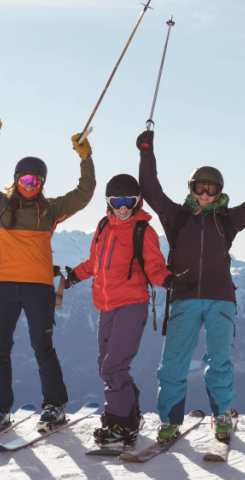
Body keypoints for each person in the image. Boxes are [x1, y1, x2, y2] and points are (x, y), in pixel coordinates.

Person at [135, 129, 245, 442]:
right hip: (184, 298)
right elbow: (150, 188)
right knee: (173, 363)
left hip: (220, 299)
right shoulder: (176, 216)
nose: (205, 194)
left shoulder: (228, 218)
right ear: (192, 189)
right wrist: (147, 152)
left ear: (219, 191)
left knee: (218, 361)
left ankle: (222, 415)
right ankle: (169, 421)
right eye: (200, 188)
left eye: (211, 189)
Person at [0, 116, 96, 434]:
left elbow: (85, 192)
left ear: (42, 184)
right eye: (25, 181)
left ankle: (55, 406)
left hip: (38, 287)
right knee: (0, 348)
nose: (30, 186)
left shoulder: (50, 210)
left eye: (35, 182)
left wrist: (85, 157)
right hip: (5, 286)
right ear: (16, 180)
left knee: (42, 347)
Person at [63, 174, 196, 448]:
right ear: (109, 203)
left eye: (128, 202)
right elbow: (94, 262)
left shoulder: (143, 231)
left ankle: (120, 424)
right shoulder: (103, 227)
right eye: (117, 202)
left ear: (137, 201)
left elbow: (154, 267)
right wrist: (74, 275)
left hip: (132, 305)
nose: (122, 208)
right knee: (105, 365)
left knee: (114, 364)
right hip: (105, 306)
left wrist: (170, 280)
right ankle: (128, 414)